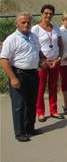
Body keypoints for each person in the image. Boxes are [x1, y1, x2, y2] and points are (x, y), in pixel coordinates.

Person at [0, 13, 44, 142]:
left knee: (31, 103)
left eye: (28, 22)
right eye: (23, 22)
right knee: (19, 105)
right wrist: (13, 78)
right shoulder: (12, 39)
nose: (26, 25)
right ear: (17, 24)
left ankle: (30, 128)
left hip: (33, 74)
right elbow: (4, 60)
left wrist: (42, 59)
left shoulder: (33, 37)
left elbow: (39, 51)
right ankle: (19, 132)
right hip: (18, 74)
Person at [32, 4, 65, 121]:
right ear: (41, 14)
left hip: (55, 62)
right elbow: (34, 46)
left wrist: (59, 59)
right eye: (46, 13)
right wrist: (43, 60)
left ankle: (53, 110)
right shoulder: (35, 29)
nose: (48, 15)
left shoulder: (56, 28)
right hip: (42, 63)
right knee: (40, 88)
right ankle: (40, 112)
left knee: (53, 86)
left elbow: (61, 45)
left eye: (50, 14)